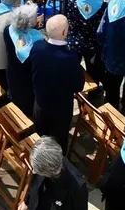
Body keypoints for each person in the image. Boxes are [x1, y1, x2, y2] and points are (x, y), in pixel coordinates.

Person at [29, 15, 84, 151]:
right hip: (61, 110)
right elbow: (78, 85)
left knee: (41, 140)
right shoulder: (70, 57)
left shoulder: (37, 47)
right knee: (59, 145)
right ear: (65, 32)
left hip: (41, 105)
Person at [63, 0, 106, 99]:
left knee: (73, 67)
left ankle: (73, 89)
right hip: (92, 43)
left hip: (73, 41)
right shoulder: (102, 6)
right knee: (93, 70)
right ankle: (93, 93)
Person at [6, 3, 43, 119]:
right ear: (29, 23)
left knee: (16, 96)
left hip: (13, 72)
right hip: (27, 79)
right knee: (27, 105)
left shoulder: (8, 31)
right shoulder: (38, 40)